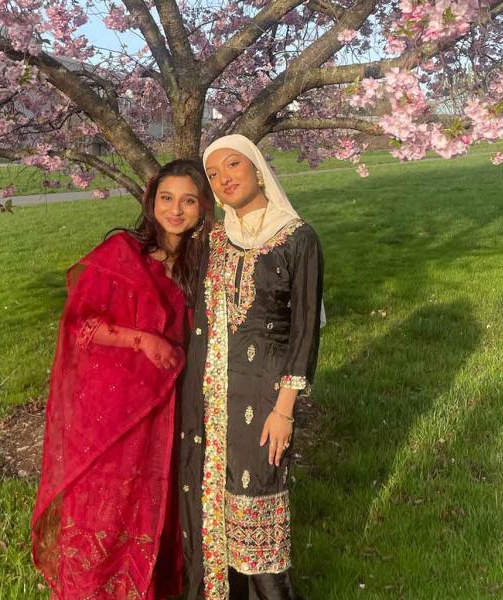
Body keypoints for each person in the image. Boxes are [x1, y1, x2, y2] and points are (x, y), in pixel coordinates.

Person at [31, 159, 215, 599]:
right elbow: (81, 326)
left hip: (173, 407)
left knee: (156, 502)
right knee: (107, 505)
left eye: (188, 201)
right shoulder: (123, 254)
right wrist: (142, 340)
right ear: (151, 201)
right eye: (166, 198)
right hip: (115, 410)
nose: (176, 210)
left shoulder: (202, 265)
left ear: (203, 207)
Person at [179, 135, 324, 599]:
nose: (224, 179)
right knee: (213, 516)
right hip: (208, 397)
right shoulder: (213, 239)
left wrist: (285, 410)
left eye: (233, 165)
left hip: (264, 399)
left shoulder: (296, 237)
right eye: (214, 174)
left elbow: (305, 331)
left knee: (258, 517)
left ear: (258, 169)